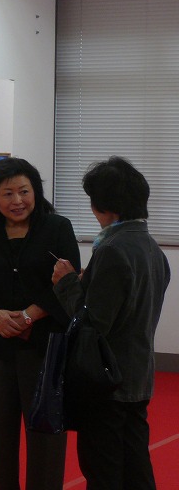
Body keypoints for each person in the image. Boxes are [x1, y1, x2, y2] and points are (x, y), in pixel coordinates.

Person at [0, 157, 80, 490]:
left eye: (24, 191)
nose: (17, 201)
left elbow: (68, 284)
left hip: (45, 347)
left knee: (45, 434)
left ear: (36, 191)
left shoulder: (57, 228)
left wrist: (29, 315)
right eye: (7, 193)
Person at [52, 156, 170, 490]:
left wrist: (67, 283)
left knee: (104, 470)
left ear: (105, 207)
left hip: (107, 382)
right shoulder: (152, 249)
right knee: (136, 469)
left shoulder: (113, 250)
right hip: (137, 376)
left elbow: (92, 326)